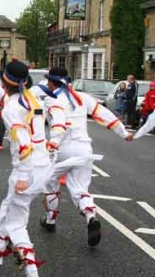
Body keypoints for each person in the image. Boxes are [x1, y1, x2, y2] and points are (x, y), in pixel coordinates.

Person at [0, 60, 48, 277]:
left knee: (16, 223)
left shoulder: (11, 107)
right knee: (7, 211)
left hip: (27, 168)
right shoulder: (34, 101)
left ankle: (31, 274)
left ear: (4, 82)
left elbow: (23, 142)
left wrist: (24, 175)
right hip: (42, 165)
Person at [39, 67, 132, 247]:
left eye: (48, 81)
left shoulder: (52, 99)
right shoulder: (82, 97)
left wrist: (53, 142)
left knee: (50, 182)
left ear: (52, 82)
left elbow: (58, 122)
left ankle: (50, 219)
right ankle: (90, 216)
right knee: (80, 188)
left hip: (63, 149)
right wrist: (123, 132)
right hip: (83, 148)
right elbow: (104, 114)